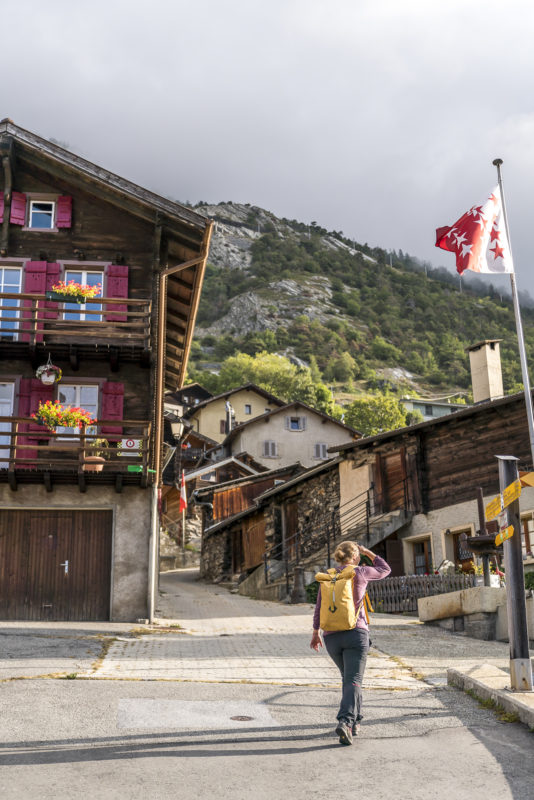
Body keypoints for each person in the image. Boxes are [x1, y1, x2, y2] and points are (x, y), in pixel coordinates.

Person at [310, 541, 391, 746]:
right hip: (356, 633)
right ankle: (345, 721)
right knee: (353, 680)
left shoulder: (329, 576)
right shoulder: (360, 572)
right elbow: (385, 569)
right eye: (358, 555)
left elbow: (319, 606)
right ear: (355, 556)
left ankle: (356, 721)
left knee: (350, 680)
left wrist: (315, 633)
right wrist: (367, 552)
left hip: (331, 637)